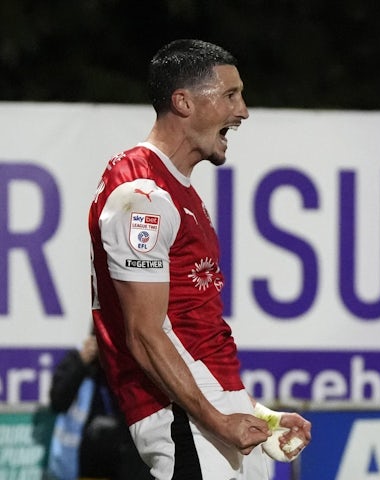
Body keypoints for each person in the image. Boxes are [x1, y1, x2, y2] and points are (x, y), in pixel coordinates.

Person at [88, 39, 311, 480]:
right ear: (183, 102)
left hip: (208, 415)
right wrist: (216, 419)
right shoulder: (141, 196)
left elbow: (193, 330)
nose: (243, 110)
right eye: (231, 95)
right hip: (183, 420)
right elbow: (146, 334)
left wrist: (254, 415)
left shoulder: (176, 191)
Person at [47, 333, 152, 480]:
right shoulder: (80, 361)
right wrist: (80, 363)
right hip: (86, 460)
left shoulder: (132, 363)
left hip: (126, 459)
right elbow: (58, 402)